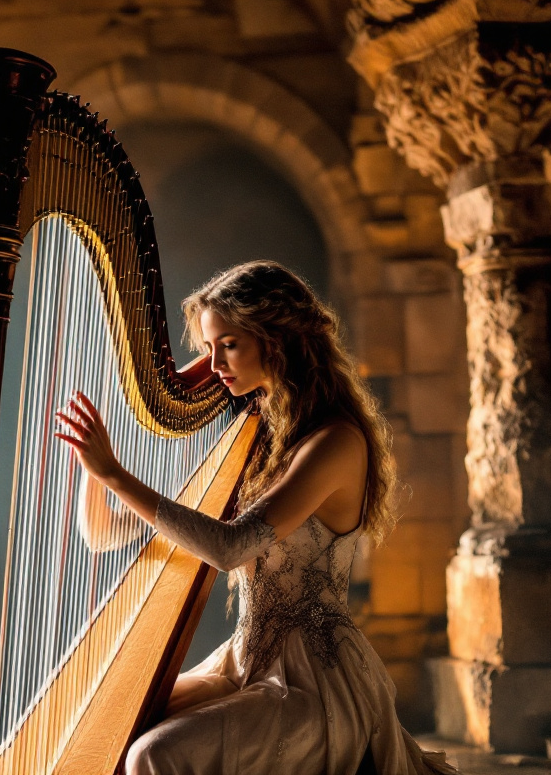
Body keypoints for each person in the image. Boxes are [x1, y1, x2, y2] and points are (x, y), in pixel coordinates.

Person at [53, 261, 458, 775]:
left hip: (315, 681)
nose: (215, 362)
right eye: (208, 347)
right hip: (243, 664)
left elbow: (230, 548)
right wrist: (95, 465)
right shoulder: (261, 441)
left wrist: (116, 474)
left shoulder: (334, 441)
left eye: (228, 344)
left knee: (153, 755)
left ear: (277, 339)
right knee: (112, 724)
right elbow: (104, 535)